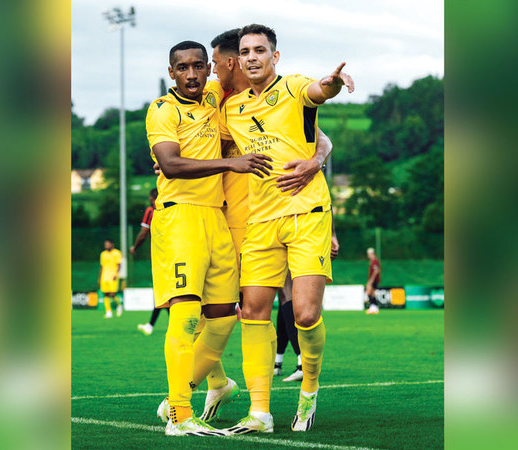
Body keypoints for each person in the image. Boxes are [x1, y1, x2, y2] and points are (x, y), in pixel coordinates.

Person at [219, 24, 354, 434]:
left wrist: (332, 84)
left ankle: (309, 390)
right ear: (238, 60)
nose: (252, 57)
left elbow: (319, 92)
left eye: (260, 50)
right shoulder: (231, 109)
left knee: (305, 313)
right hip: (260, 220)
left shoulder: (294, 87)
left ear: (274, 56)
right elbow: (209, 142)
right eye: (246, 51)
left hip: (307, 212)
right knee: (253, 312)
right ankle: (260, 412)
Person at [145, 40, 273, 436]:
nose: (192, 74)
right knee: (185, 316)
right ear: (171, 72)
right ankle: (179, 414)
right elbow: (170, 164)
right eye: (183, 67)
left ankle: (217, 385)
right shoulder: (162, 109)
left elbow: (241, 79)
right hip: (180, 216)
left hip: (216, 216)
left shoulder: (214, 98)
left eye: (200, 66)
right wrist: (231, 163)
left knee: (221, 318)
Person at [276, 221, 339, 382]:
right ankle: (278, 361)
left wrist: (332, 234)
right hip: (304, 228)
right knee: (284, 297)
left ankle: (301, 363)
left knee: (287, 292)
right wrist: (332, 234)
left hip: (287, 227)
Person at [130, 189, 166, 335]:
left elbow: (144, 233)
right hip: (178, 252)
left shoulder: (151, 210)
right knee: (168, 293)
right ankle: (151, 325)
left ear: (152, 198)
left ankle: (151, 326)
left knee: (163, 293)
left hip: (161, 256)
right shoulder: (172, 207)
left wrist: (135, 247)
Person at [98, 239, 123, 318]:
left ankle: (119, 305)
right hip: (104, 276)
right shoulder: (103, 254)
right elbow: (101, 267)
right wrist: (99, 278)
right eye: (105, 244)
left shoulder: (117, 253)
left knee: (112, 294)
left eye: (108, 244)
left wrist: (116, 274)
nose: (106, 246)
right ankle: (108, 311)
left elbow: (119, 265)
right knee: (105, 294)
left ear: (112, 244)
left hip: (113, 276)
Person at [366, 247, 381, 314]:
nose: (368, 255)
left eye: (368, 254)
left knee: (368, 292)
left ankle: (373, 307)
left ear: (372, 253)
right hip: (374, 279)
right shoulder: (373, 261)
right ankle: (374, 308)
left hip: (374, 280)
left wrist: (371, 280)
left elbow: (376, 271)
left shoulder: (374, 261)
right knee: (372, 293)